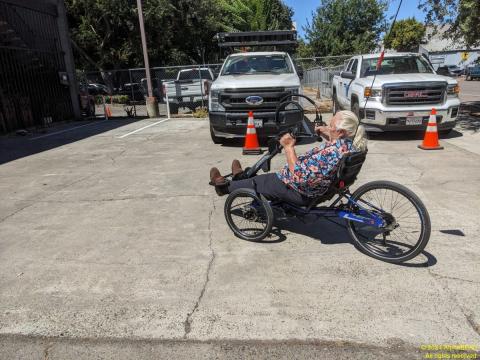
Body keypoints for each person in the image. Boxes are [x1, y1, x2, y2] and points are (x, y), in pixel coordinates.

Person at [209, 110, 368, 206]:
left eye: (331, 126)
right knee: (262, 180)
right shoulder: (350, 145)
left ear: (340, 132)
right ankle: (239, 177)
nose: (328, 127)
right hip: (321, 189)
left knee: (259, 182)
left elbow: (299, 177)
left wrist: (288, 147)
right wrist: (325, 132)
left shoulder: (331, 153)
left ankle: (224, 187)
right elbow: (335, 144)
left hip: (297, 189)